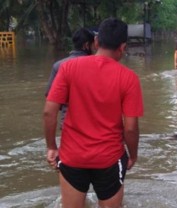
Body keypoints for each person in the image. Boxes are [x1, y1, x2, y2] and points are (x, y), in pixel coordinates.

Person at [43, 18, 144, 208]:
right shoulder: (129, 78)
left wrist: (51, 147)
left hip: (72, 157)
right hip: (110, 159)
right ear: (123, 47)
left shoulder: (68, 68)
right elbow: (130, 128)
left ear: (96, 42)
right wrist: (133, 155)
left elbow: (49, 112)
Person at [45, 27, 95, 129]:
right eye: (93, 45)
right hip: (93, 124)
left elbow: (50, 96)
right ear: (86, 45)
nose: (95, 49)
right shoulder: (97, 65)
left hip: (68, 124)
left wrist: (66, 107)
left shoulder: (58, 65)